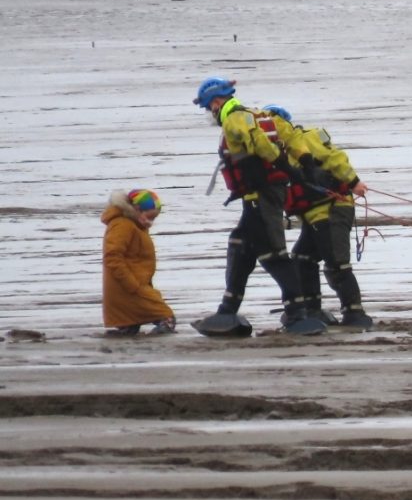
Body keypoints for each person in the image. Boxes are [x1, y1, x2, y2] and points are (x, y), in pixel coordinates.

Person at [190, 77, 324, 336]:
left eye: (208, 108)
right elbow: (292, 134)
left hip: (260, 197)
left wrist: (290, 168)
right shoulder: (259, 114)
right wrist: (304, 161)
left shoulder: (234, 119)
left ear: (216, 102)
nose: (210, 114)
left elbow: (261, 145)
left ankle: (298, 314)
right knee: (240, 246)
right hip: (259, 196)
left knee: (273, 254)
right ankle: (227, 311)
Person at [263, 104, 373, 330]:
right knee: (302, 258)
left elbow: (336, 158)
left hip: (332, 209)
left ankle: (355, 314)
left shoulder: (308, 138)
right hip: (313, 217)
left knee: (336, 264)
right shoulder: (275, 154)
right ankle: (313, 310)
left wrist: (354, 183)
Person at [101, 189, 176, 335]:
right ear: (135, 209)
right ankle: (129, 326)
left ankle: (128, 326)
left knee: (131, 316)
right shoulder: (122, 224)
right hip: (128, 284)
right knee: (165, 315)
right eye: (149, 217)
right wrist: (130, 283)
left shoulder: (135, 224)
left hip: (136, 282)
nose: (151, 223)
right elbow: (112, 256)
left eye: (154, 219)